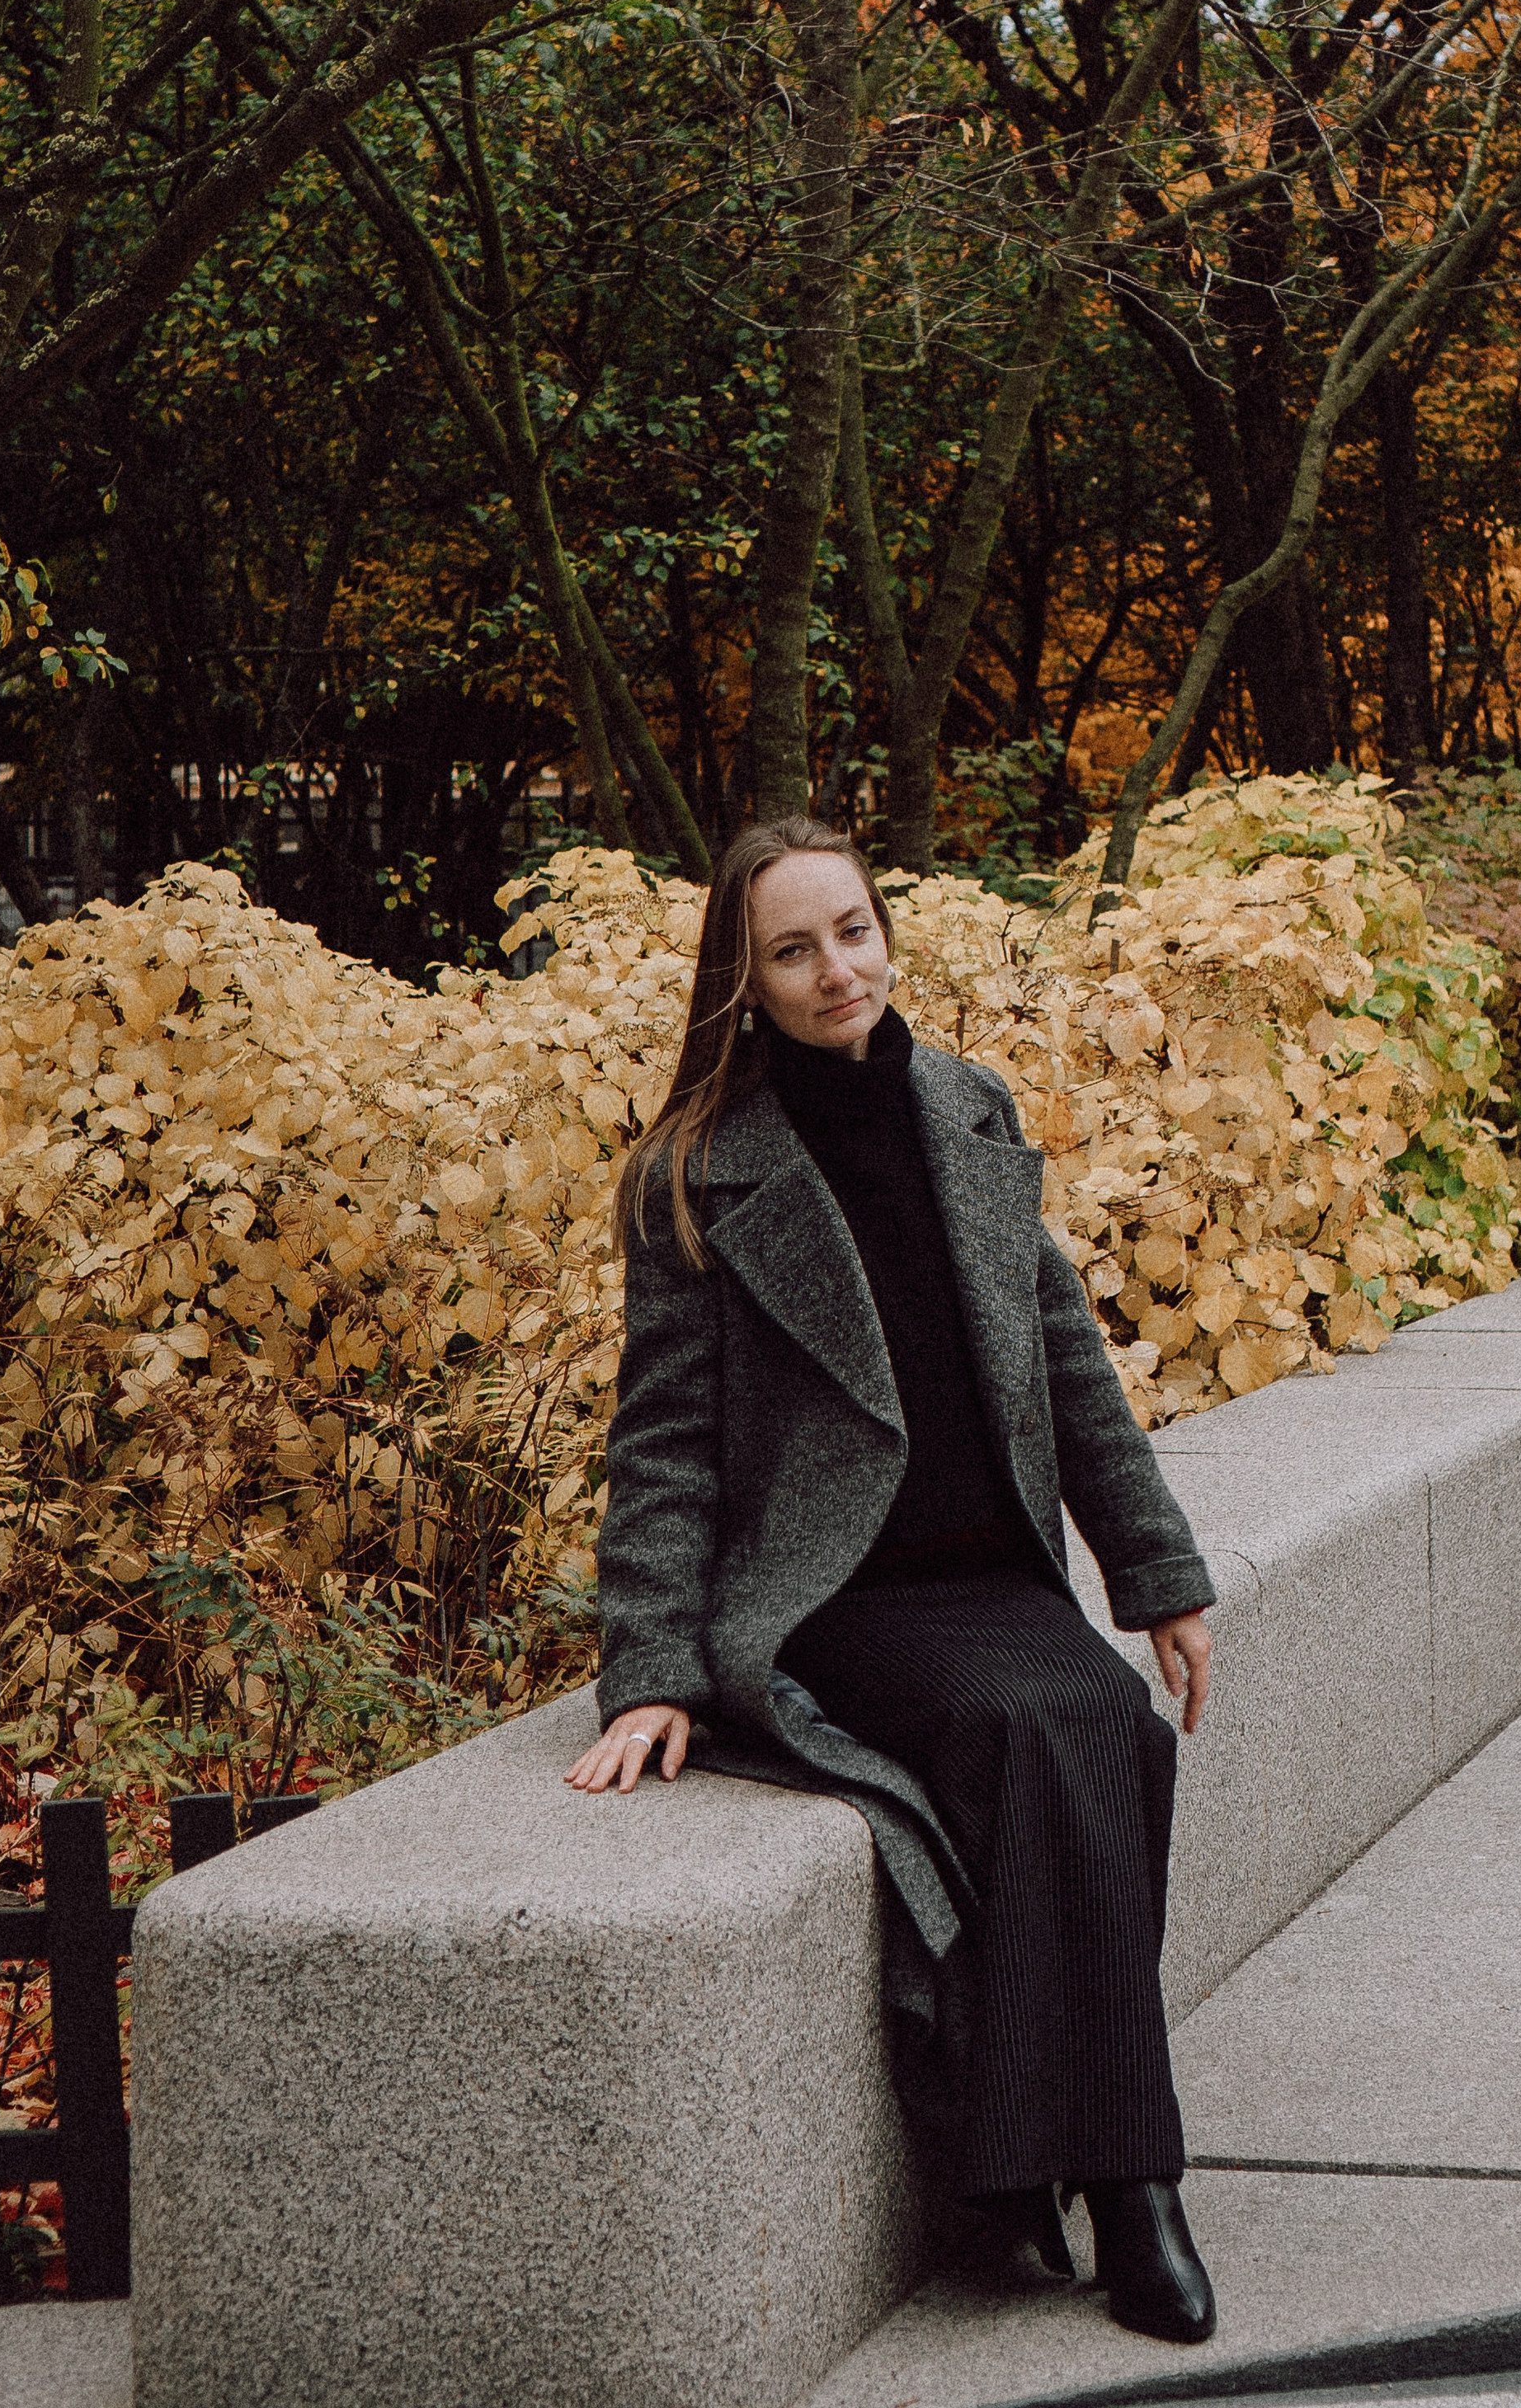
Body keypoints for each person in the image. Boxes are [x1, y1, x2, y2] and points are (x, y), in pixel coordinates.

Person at [564, 815, 1219, 2345]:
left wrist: (1157, 1572)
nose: (835, 970)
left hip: (991, 1573)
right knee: (1027, 1729)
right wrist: (653, 1668)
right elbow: (660, 1444)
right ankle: (1136, 2191)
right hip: (833, 1597)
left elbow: (1065, 1357)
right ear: (745, 979)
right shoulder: (693, 1175)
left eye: (851, 930)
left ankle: (1044, 2164)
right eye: (792, 950)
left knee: (1106, 1723)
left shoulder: (966, 1106)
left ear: (883, 928)